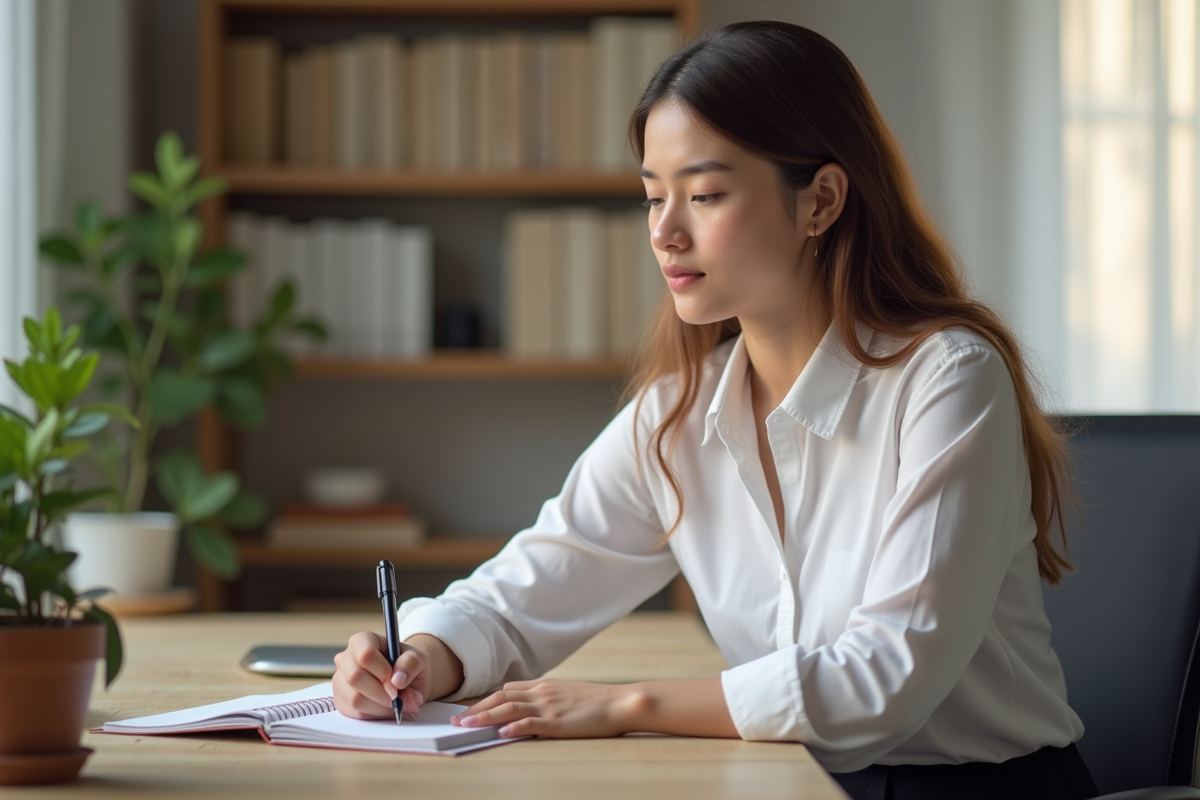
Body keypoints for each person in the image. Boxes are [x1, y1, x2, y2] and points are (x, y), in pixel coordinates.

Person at [332, 21, 1097, 799]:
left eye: (703, 195)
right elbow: (522, 596)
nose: (665, 232)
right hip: (789, 779)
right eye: (652, 197)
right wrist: (422, 659)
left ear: (821, 200)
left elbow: (886, 679)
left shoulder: (948, 380)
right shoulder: (678, 413)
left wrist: (626, 706)